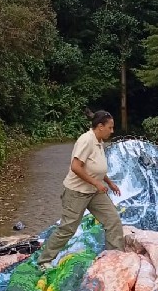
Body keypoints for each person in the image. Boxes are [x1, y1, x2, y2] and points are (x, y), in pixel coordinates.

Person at [35, 110, 124, 267]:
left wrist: (109, 182)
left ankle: (115, 258)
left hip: (94, 192)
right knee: (67, 228)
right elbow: (76, 167)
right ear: (100, 126)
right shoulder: (86, 140)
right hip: (77, 192)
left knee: (113, 220)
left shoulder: (99, 141)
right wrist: (97, 183)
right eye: (110, 127)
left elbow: (95, 167)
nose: (112, 131)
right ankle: (44, 260)